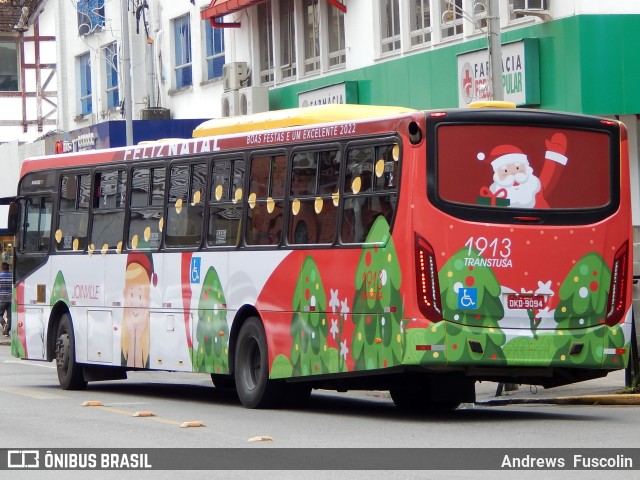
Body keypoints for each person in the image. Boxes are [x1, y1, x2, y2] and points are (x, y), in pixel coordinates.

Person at [0, 262, 12, 337]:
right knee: (10, 316)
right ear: (8, 268)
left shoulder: (0, 276)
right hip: (10, 298)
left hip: (1, 298)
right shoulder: (12, 276)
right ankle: (7, 331)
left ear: (1, 268)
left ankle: (4, 325)